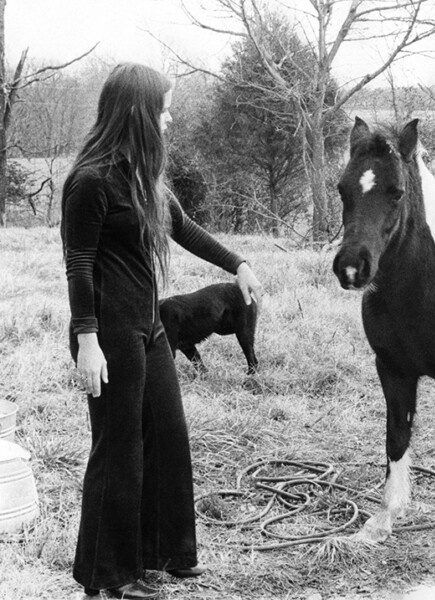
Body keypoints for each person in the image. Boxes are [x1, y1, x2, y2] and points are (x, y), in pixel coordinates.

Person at [61, 63, 263, 599]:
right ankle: (109, 576)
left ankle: (164, 554)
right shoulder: (90, 180)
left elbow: (186, 229)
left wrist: (237, 263)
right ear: (139, 113)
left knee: (168, 438)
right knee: (119, 449)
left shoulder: (144, 176)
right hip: (108, 333)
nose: (169, 118)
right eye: (164, 107)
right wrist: (86, 341)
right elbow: (78, 265)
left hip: (149, 329)